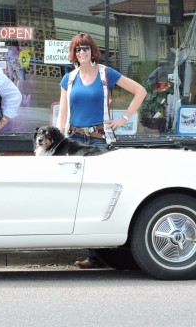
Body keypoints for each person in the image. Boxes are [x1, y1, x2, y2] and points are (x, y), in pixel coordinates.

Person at [57, 32, 147, 269]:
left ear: (92, 51)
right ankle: (94, 254)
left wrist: (124, 118)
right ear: (73, 53)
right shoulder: (69, 79)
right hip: (74, 141)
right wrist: (58, 141)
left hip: (98, 141)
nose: (82, 53)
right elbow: (63, 114)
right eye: (78, 49)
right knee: (78, 197)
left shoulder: (106, 73)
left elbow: (140, 91)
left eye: (86, 48)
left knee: (97, 196)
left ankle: (99, 256)